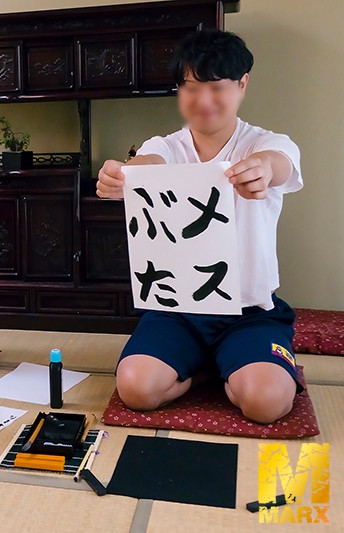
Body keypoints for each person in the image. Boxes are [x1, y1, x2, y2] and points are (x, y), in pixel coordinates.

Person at [97, 29, 303, 424]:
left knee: (267, 403)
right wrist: (123, 175)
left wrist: (262, 168)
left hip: (249, 309)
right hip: (177, 309)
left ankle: (232, 366)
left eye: (216, 87)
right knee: (135, 389)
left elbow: (277, 162)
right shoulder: (165, 145)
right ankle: (209, 370)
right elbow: (147, 164)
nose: (203, 100)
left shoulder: (266, 143)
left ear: (242, 84)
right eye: (191, 88)